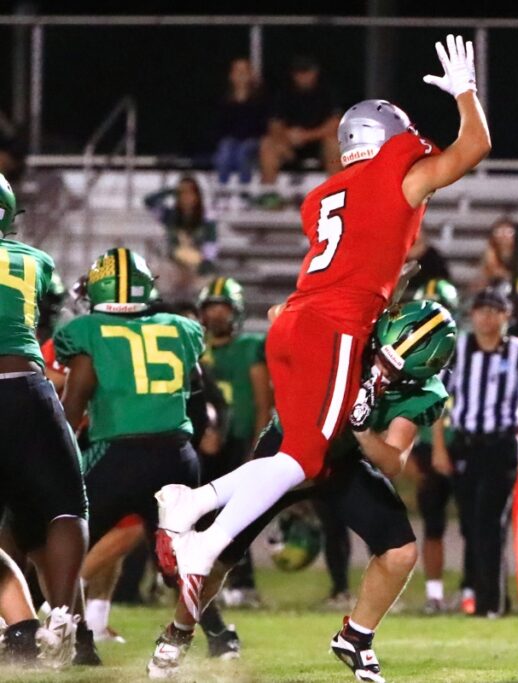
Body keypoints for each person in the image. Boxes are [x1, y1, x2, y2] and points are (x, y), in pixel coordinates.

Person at [154, 33, 490, 631]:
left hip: (294, 321)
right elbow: (474, 147)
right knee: (305, 456)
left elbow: (364, 250)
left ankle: (197, 504)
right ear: (388, 141)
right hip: (335, 324)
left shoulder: (323, 195)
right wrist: (465, 93)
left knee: (295, 453)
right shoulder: (396, 176)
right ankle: (203, 539)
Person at [147, 300, 456, 682]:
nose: (381, 369)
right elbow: (279, 315)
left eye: (395, 369)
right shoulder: (355, 335)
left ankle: (356, 637)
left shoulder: (421, 390)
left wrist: (362, 429)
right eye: (380, 357)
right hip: (290, 446)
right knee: (218, 555)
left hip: (342, 460)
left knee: (400, 551)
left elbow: (393, 462)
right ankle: (178, 632)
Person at [52, 248, 217, 662]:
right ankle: (220, 636)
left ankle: (79, 643)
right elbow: (199, 403)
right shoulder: (181, 328)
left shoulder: (88, 331)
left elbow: (72, 409)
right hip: (177, 454)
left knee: (63, 537)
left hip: (117, 452)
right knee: (186, 560)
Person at [0, 174, 88, 667]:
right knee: (66, 504)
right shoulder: (36, 260)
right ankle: (57, 619)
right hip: (27, 387)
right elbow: (38, 314)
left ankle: (19, 628)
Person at [434, 285, 518, 616]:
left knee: (490, 522)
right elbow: (439, 400)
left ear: (506, 316)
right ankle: (482, 594)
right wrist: (439, 447)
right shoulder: (458, 350)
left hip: (502, 444)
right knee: (471, 524)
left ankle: (489, 603)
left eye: (494, 310)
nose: (486, 316)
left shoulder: (517, 352)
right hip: (467, 443)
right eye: (481, 310)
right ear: (472, 314)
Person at [196, 277, 273, 607]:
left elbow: (262, 402)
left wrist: (258, 446)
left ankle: (244, 582)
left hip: (239, 440)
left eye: (222, 307)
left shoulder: (249, 348)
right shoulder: (195, 347)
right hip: (203, 441)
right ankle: (196, 577)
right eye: (210, 307)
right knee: (199, 513)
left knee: (240, 514)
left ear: (235, 312)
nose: (216, 314)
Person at [404, 279, 460, 614]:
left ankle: (472, 590)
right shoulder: (410, 353)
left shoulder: (465, 348)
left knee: (477, 527)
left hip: (468, 443)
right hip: (429, 446)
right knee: (433, 523)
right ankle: (435, 593)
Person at [259, 55, 341, 185]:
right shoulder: (283, 93)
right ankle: (269, 194)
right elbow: (274, 125)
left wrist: (306, 136)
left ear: (315, 72)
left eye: (306, 72)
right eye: (299, 73)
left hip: (318, 144)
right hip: (290, 145)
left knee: (334, 145)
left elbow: (335, 124)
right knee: (267, 144)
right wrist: (287, 136)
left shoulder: (327, 92)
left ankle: (337, 192)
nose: (303, 77)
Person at [144, 176, 218, 295]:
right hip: (174, 265)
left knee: (207, 283)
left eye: (190, 193)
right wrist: (170, 191)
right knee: (157, 273)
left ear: (197, 196)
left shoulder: (206, 217)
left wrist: (208, 261)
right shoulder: (169, 215)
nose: (186, 197)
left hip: (197, 266)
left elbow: (211, 242)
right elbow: (149, 201)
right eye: (182, 193)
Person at [213, 58, 267, 186]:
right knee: (224, 151)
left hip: (253, 141)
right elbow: (220, 128)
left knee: (243, 152)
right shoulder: (224, 101)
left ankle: (244, 189)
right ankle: (223, 189)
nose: (241, 75)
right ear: (231, 76)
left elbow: (262, 127)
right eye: (238, 71)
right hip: (231, 141)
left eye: (244, 71)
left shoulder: (260, 100)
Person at [473, 218, 516, 290]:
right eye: (498, 232)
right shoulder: (490, 252)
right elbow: (489, 272)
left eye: (509, 232)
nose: (503, 237)